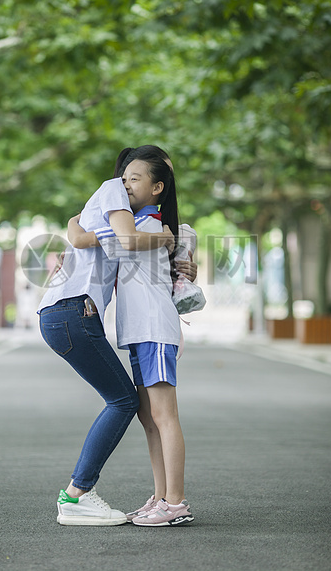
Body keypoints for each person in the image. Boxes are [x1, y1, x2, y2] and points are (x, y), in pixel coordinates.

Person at [68, 145, 195, 527]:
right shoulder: (140, 226)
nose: (125, 186)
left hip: (154, 329)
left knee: (163, 415)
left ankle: (175, 502)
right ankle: (160, 496)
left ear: (159, 187)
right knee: (148, 417)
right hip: (140, 332)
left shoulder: (152, 228)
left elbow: (103, 236)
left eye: (134, 179)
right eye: (123, 179)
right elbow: (80, 230)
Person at [37, 174, 175, 526]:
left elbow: (87, 236)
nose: (130, 185)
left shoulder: (121, 221)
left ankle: (78, 494)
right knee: (125, 401)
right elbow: (121, 239)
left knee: (124, 400)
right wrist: (165, 237)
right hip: (72, 312)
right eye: (130, 176)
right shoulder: (115, 191)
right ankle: (76, 494)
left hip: (64, 313)